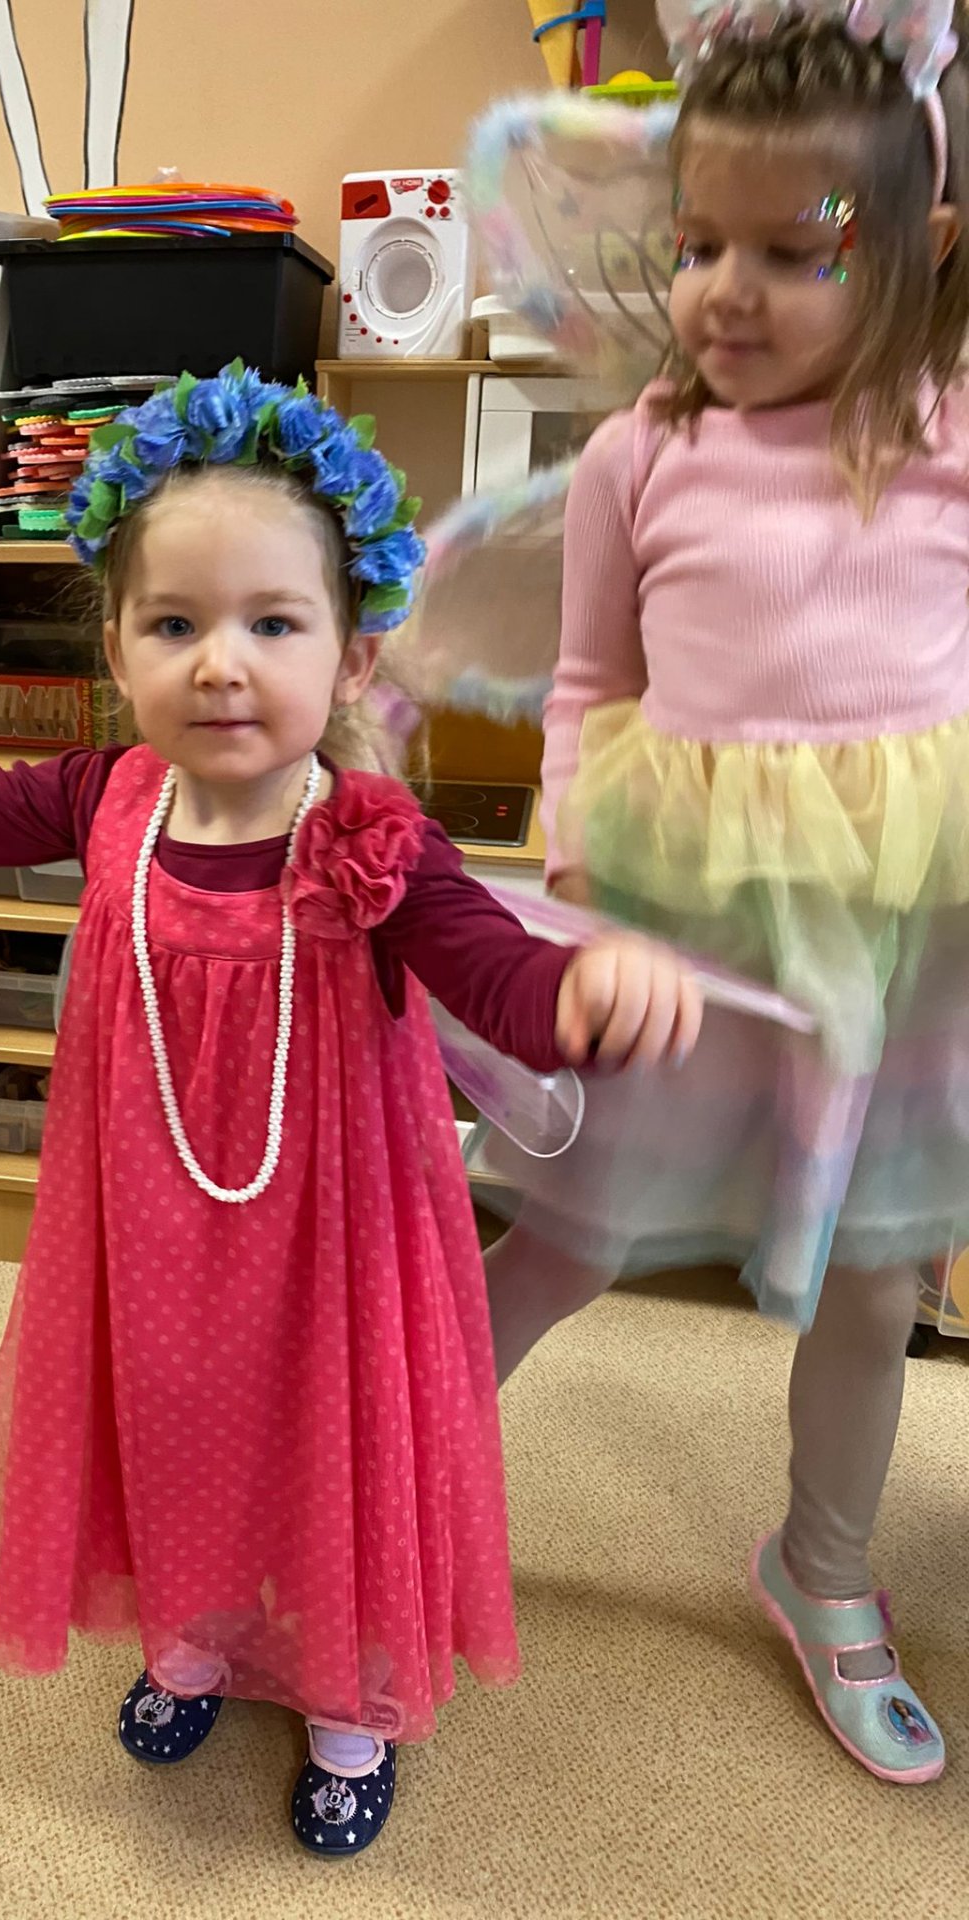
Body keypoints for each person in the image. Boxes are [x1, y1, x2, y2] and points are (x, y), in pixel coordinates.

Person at [0, 366, 699, 1856]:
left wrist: (586, 993)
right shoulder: (106, 797)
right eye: (175, 624)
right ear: (116, 648)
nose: (223, 664)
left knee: (323, 1447)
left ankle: (349, 1693)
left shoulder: (372, 837)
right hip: (150, 1224)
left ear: (356, 657)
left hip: (334, 1246)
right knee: (173, 1425)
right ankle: (195, 1630)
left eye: (273, 624)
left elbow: (497, 977)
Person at [481, 0, 969, 1787]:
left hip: (906, 935)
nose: (725, 294)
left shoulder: (949, 428)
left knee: (878, 1272)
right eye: (697, 246)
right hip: (685, 930)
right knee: (576, 1229)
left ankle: (823, 1571)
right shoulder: (640, 454)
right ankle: (378, 1482)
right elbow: (587, 683)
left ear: (922, 248)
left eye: (795, 251)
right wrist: (575, 863)